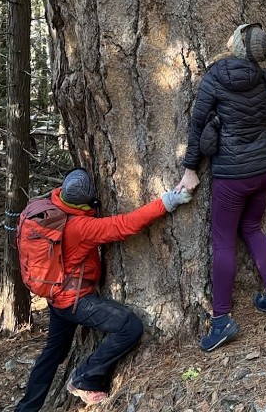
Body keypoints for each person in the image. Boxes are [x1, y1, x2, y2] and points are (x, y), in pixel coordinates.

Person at [179, 23, 266, 352]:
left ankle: (222, 320)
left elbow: (198, 125)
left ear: (235, 46)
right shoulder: (264, 77)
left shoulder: (214, 77)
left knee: (223, 242)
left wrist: (189, 170)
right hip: (265, 170)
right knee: (251, 227)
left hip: (232, 175)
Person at [14, 168, 193, 410]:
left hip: (56, 297)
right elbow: (125, 225)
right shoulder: (81, 227)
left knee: (53, 354)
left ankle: (26, 408)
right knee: (129, 326)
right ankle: (84, 378)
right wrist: (167, 201)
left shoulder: (49, 207)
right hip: (75, 300)